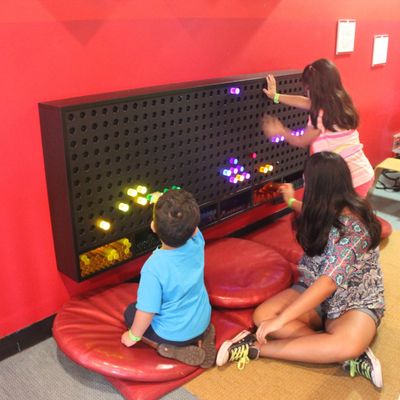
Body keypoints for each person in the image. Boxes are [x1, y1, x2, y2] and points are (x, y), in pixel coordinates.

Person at [216, 152, 385, 388]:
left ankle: (256, 348)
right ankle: (337, 353)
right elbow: (308, 210)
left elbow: (328, 282)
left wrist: (281, 321)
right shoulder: (324, 208)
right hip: (313, 290)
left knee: (346, 344)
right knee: (263, 316)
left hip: (353, 301)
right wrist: (289, 201)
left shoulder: (355, 227)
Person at [121, 189, 216, 368]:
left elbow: (147, 312)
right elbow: (190, 224)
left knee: (131, 313)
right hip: (202, 320)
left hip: (174, 335)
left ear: (153, 227)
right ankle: (204, 336)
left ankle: (167, 349)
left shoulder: (154, 267)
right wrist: (173, 207)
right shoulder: (197, 242)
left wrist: (132, 336)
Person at [262, 58, 374, 198]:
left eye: (308, 88)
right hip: (363, 173)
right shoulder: (341, 101)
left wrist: (281, 131)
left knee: (332, 212)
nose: (306, 91)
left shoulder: (321, 116)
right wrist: (276, 96)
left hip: (348, 182)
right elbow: (305, 101)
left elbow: (301, 141)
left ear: (315, 89)